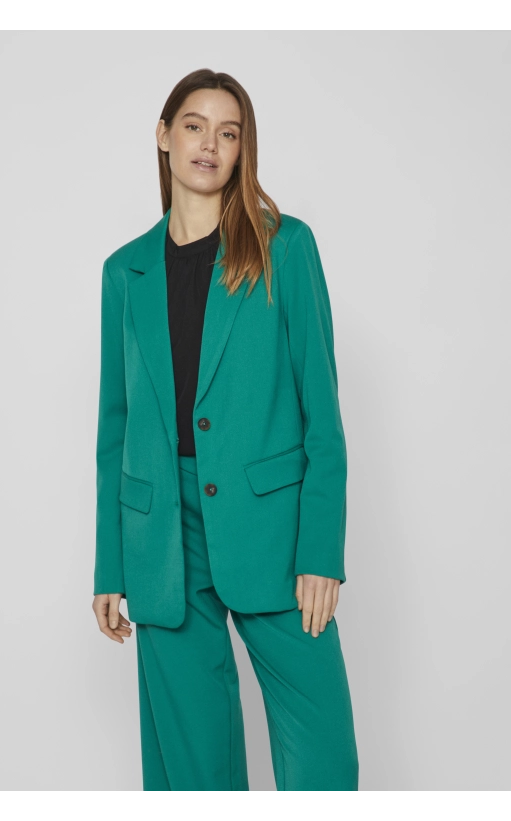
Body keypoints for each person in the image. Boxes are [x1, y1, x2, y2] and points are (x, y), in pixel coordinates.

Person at [91, 68, 359, 792]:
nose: (210, 143)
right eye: (194, 126)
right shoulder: (124, 272)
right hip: (161, 536)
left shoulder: (284, 248)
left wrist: (321, 551)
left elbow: (321, 412)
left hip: (272, 528)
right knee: (192, 768)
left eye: (228, 132)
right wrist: (111, 566)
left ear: (243, 150)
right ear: (163, 136)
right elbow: (115, 431)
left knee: (322, 757)